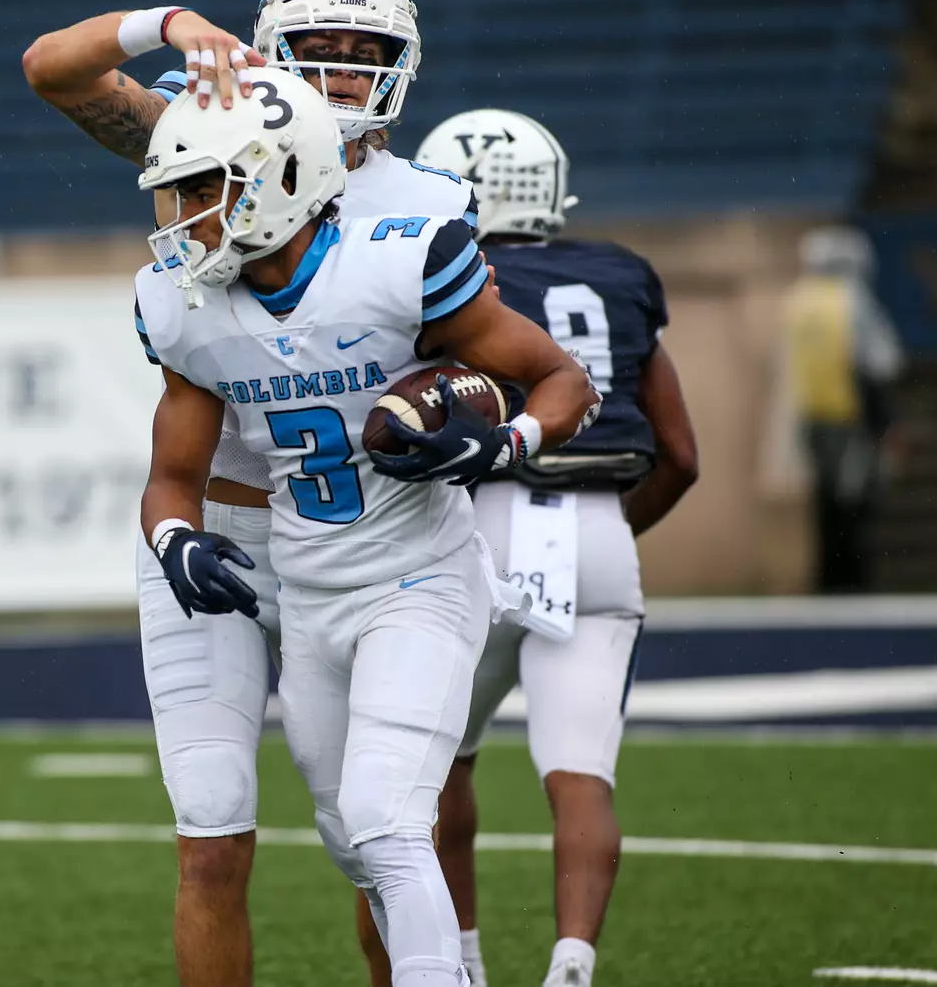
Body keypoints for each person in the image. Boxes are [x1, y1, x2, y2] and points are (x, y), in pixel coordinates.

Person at [24, 0, 477, 987]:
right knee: (214, 829)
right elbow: (52, 67)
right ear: (267, 54)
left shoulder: (430, 204)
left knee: (382, 835)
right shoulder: (212, 126)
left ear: (402, 66)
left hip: (369, 543)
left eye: (363, 55)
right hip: (218, 527)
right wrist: (167, 21)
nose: (337, 76)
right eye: (314, 52)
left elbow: (481, 369)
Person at [136, 71, 600, 987]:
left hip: (419, 577)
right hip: (309, 596)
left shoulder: (399, 260)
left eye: (204, 188)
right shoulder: (182, 304)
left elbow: (564, 381)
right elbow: (171, 480)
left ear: (280, 178)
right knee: (356, 843)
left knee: (389, 822)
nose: (184, 215)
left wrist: (506, 443)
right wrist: (175, 543)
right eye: (177, 190)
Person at [413, 109, 700, 987]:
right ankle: (572, 958)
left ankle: (459, 961)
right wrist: (600, 538)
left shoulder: (449, 277)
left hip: (478, 523)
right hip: (598, 528)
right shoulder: (618, 275)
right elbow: (681, 456)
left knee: (432, 767)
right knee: (581, 776)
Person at [783, 225, 904, 593]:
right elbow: (878, 363)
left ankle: (829, 581)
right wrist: (885, 423)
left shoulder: (798, 301)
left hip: (813, 418)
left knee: (826, 503)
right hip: (851, 418)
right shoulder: (851, 301)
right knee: (854, 504)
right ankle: (852, 583)